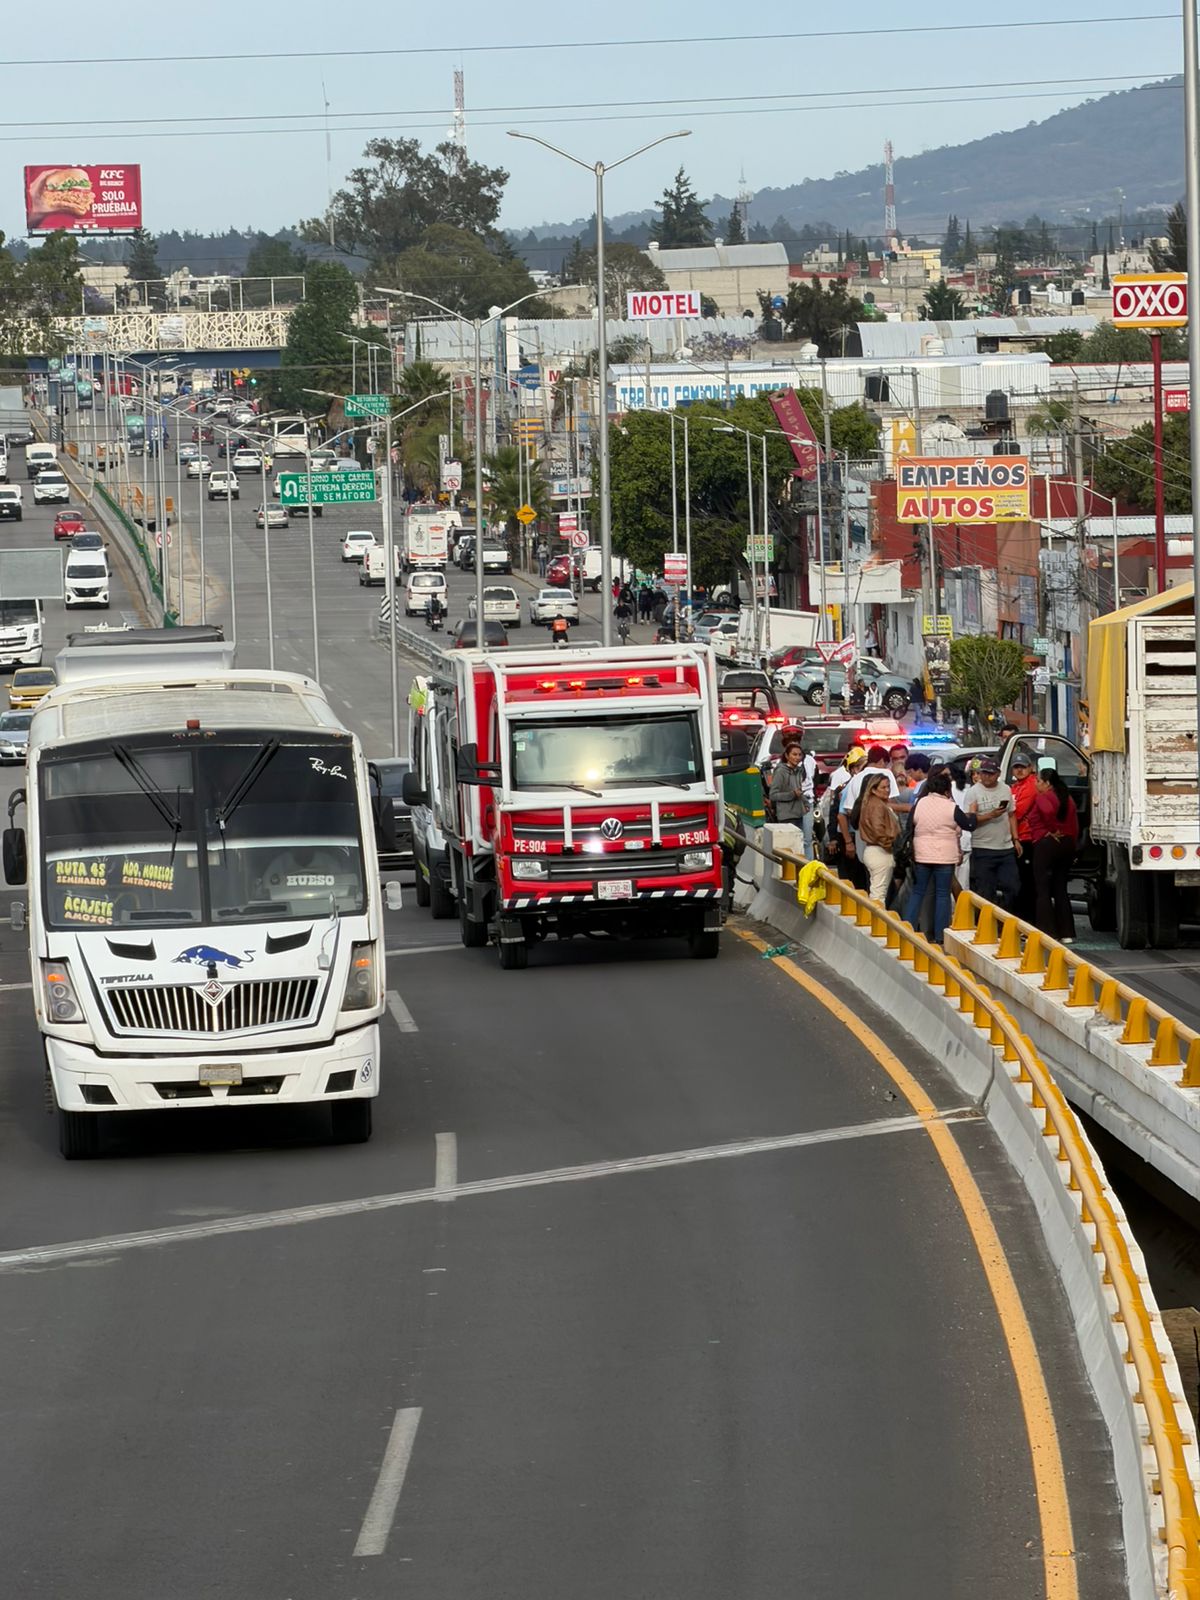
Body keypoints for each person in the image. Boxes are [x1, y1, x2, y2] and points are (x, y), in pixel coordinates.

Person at [904, 768, 961, 943]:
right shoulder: (951, 806)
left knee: (918, 891)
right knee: (943, 894)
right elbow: (968, 824)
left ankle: (907, 929)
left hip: (922, 855)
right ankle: (940, 935)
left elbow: (910, 825)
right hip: (944, 857)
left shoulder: (920, 803)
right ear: (946, 790)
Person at [961, 756, 1022, 908]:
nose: (986, 777)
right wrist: (990, 815)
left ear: (998, 774)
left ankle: (1008, 919)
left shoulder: (1006, 789)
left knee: (1013, 887)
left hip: (1005, 847)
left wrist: (1016, 839)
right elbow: (969, 819)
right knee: (985, 891)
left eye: (990, 773)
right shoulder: (973, 792)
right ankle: (988, 923)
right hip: (983, 848)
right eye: (983, 773)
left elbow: (1011, 815)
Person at [1029, 764, 1078, 942]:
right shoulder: (1067, 798)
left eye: (1039, 781)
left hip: (1047, 843)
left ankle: (1046, 931)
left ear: (1047, 783)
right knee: (1060, 888)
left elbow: (1047, 812)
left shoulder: (1043, 797)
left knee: (1042, 888)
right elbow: (1075, 824)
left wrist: (1052, 829)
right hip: (1067, 844)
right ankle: (1067, 933)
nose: (1036, 784)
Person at [856, 772, 901, 903]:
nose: (887, 790)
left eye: (888, 786)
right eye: (883, 787)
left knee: (877, 891)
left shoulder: (871, 803)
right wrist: (890, 846)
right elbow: (878, 831)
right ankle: (874, 922)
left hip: (874, 850)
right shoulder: (877, 806)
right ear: (873, 790)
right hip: (880, 851)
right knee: (878, 895)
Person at [1008, 751, 1038, 918]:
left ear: (1030, 768)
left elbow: (1017, 812)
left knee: (1027, 882)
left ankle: (1028, 919)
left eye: (1023, 767)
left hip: (1028, 838)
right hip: (1019, 837)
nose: (1019, 770)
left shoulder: (1031, 785)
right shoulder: (1015, 787)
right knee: (1020, 881)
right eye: (1016, 767)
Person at [768, 742, 808, 829]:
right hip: (786, 817)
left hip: (798, 815)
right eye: (794, 754)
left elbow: (799, 791)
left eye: (799, 755)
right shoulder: (780, 772)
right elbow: (773, 795)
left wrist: (806, 803)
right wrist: (792, 794)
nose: (797, 757)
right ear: (787, 756)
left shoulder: (798, 771)